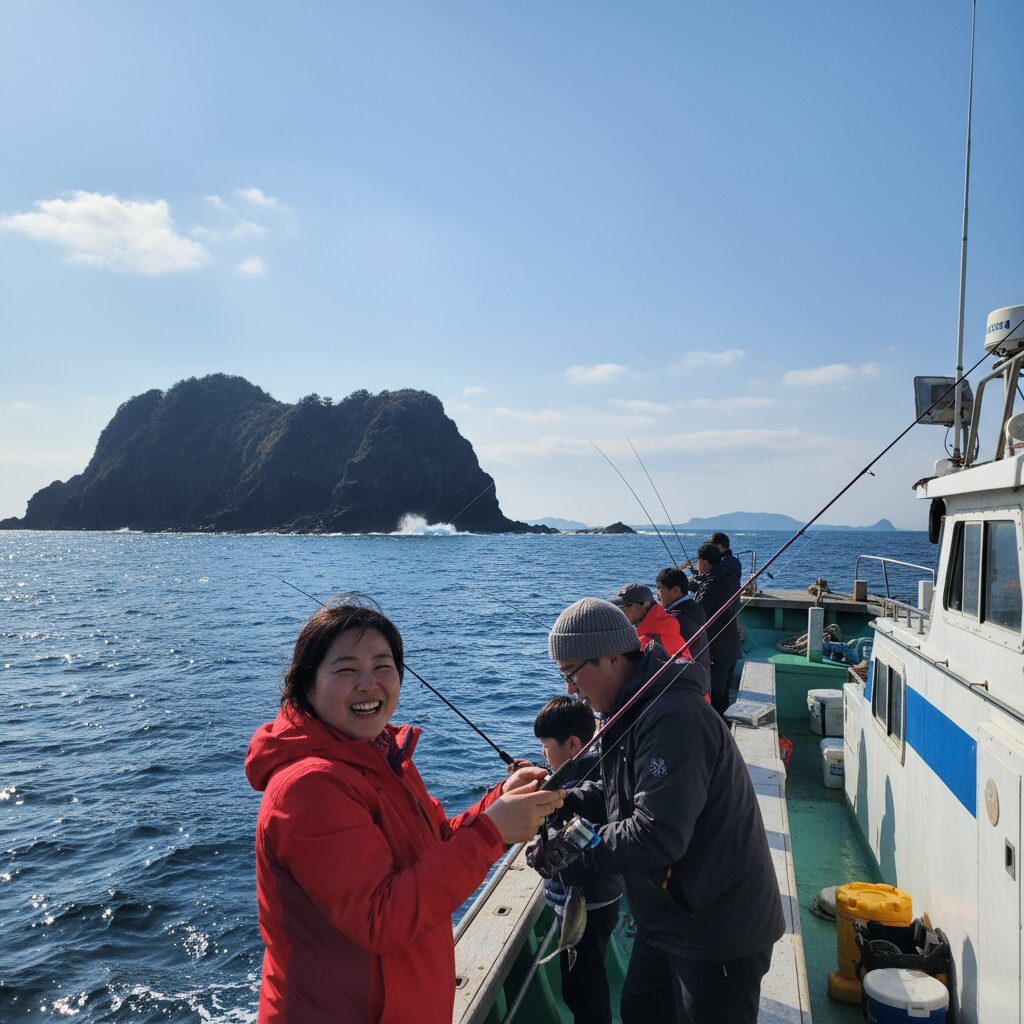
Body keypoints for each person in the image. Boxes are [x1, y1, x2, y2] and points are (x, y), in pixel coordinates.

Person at [244, 600, 563, 1024]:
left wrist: (499, 801)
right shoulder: (308, 788)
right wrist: (490, 832)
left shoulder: (377, 756)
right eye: (345, 670)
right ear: (307, 686)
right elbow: (381, 917)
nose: (368, 684)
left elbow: (433, 845)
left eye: (383, 666)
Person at [545, 598, 785, 1024]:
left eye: (571, 673)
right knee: (641, 1011)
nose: (569, 689)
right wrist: (563, 799)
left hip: (718, 928)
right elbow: (619, 790)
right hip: (669, 918)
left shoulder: (675, 718)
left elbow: (656, 834)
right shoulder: (632, 708)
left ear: (612, 658)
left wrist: (573, 844)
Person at [533, 696, 622, 1024]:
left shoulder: (581, 788)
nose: (543, 753)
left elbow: (578, 822)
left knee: (582, 988)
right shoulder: (600, 768)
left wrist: (553, 804)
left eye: (545, 745)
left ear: (572, 744)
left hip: (586, 903)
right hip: (599, 898)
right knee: (586, 978)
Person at [689, 544, 742, 715]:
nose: (697, 564)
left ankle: (717, 735)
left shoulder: (711, 585)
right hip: (730, 647)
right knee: (723, 697)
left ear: (704, 562)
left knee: (715, 701)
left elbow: (698, 613)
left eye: (698, 561)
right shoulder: (728, 578)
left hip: (716, 651)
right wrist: (698, 585)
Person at [654, 567, 711, 693]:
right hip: (702, 683)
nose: (658, 594)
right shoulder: (695, 607)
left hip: (690, 689)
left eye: (660, 589)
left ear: (675, 591)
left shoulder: (675, 620)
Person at [609, 582, 689, 659]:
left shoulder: (646, 643)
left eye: (621, 607)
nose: (618, 612)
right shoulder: (666, 626)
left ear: (637, 607)